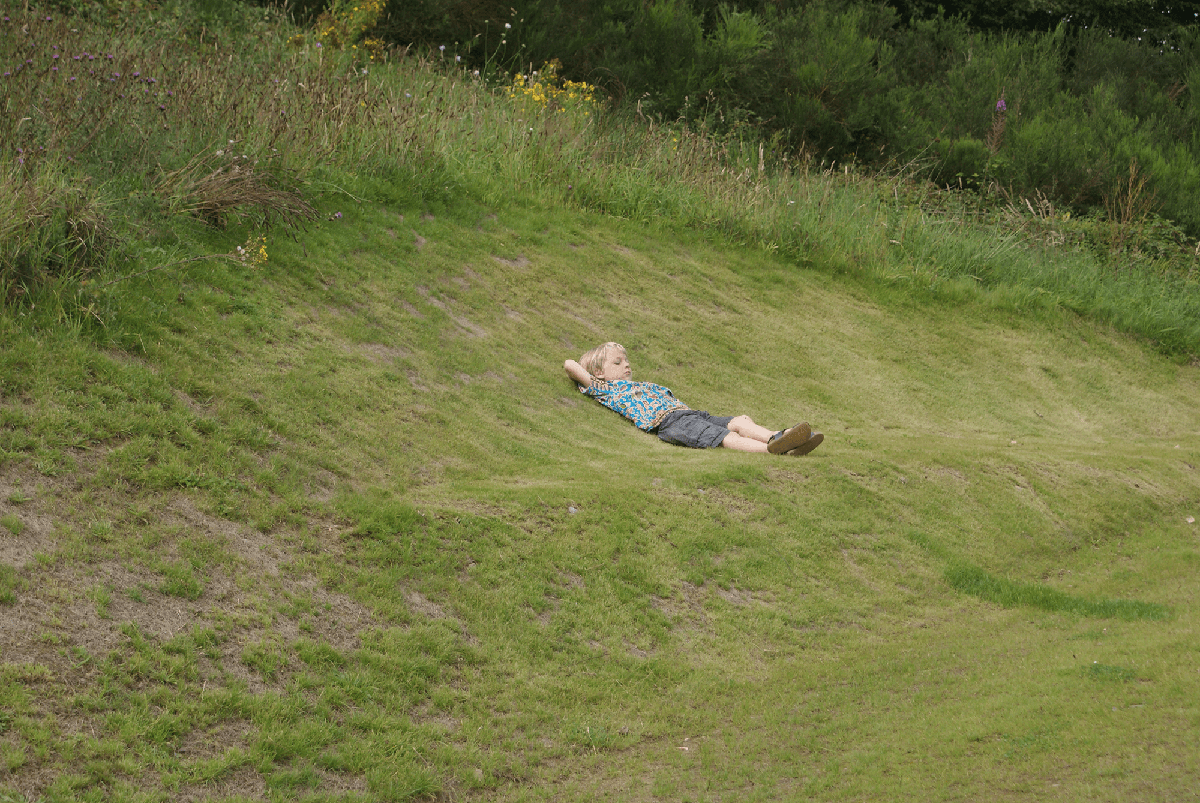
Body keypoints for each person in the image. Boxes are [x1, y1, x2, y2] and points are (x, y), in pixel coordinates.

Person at [564, 341, 823, 455]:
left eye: (627, 360)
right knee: (723, 437)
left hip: (691, 414)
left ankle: (779, 437)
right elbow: (569, 365)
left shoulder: (638, 384)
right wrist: (592, 375)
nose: (627, 365)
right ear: (599, 373)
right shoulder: (606, 389)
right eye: (618, 362)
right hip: (670, 423)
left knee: (740, 420)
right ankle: (770, 450)